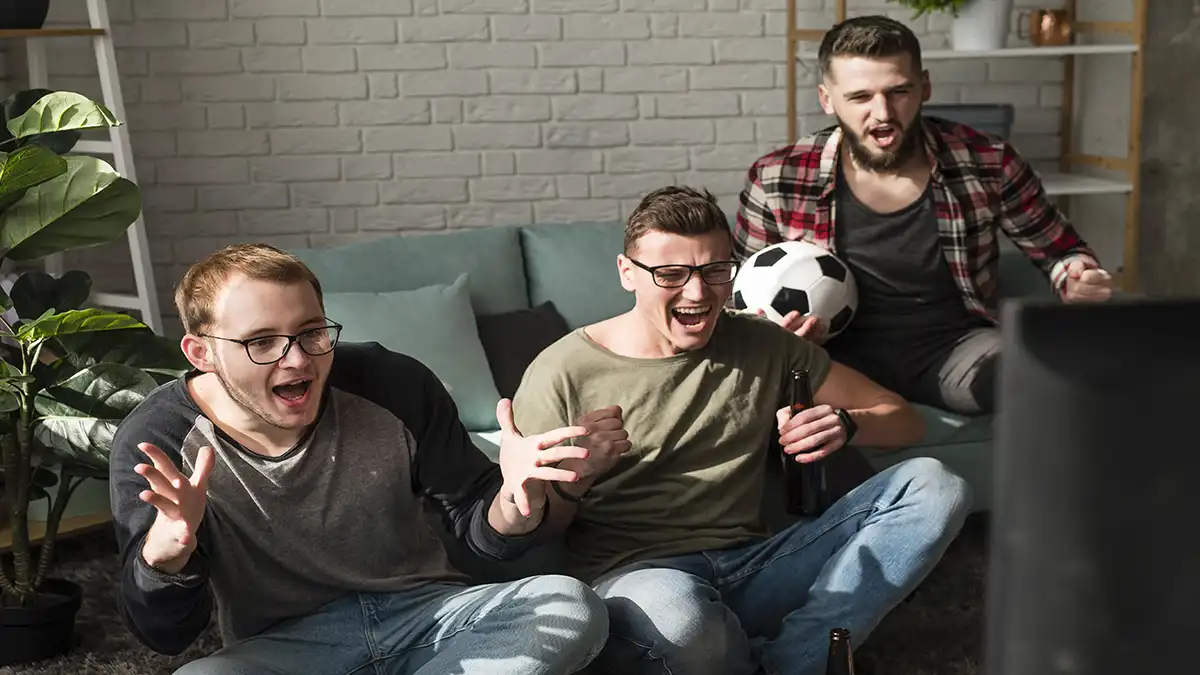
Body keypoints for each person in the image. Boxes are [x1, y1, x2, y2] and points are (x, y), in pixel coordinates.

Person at [511, 186, 973, 675]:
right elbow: (532, 531)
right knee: (682, 618)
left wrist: (843, 424)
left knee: (934, 484)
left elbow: (903, 419)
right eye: (671, 274)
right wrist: (578, 478)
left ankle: (793, 661)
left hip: (756, 564)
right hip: (640, 581)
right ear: (628, 273)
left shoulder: (765, 344)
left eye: (714, 271)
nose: (698, 293)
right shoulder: (563, 370)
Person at [109, 243, 610, 675]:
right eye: (262, 342)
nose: (299, 359)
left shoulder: (391, 383)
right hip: (291, 647)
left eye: (311, 332)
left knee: (571, 603)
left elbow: (481, 534)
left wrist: (514, 497)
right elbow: (166, 635)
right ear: (200, 353)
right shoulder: (159, 442)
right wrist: (167, 551)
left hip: (429, 617)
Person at [734, 15, 1114, 415]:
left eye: (898, 91)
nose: (882, 113)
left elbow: (1059, 250)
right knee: (769, 405)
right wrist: (778, 333)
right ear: (827, 99)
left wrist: (1076, 275)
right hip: (835, 356)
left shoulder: (987, 160)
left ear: (925, 87)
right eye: (860, 97)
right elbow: (739, 301)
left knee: (1049, 380)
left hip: (955, 349)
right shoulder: (779, 177)